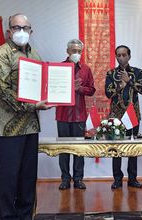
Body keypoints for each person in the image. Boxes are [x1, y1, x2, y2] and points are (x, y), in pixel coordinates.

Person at [0, 13, 51, 220]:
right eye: (17, 27)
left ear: (31, 31)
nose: (21, 31)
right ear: (9, 31)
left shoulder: (34, 54)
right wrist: (34, 106)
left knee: (27, 176)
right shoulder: (0, 56)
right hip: (7, 126)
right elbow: (3, 93)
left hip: (30, 126)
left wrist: (54, 93)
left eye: (25, 28)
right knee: (8, 176)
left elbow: (44, 82)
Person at [105, 45, 142, 189]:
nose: (121, 57)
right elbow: (108, 93)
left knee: (132, 147)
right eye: (118, 55)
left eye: (124, 55)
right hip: (116, 116)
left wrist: (129, 81)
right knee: (116, 148)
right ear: (116, 57)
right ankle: (117, 179)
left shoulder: (137, 72)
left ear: (129, 56)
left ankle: (132, 178)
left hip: (133, 115)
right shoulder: (111, 73)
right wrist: (120, 86)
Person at [56, 39, 96, 190]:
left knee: (79, 149)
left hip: (79, 116)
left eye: (79, 51)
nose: (76, 54)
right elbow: (53, 89)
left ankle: (78, 179)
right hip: (63, 115)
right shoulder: (59, 68)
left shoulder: (86, 69)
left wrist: (79, 89)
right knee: (64, 149)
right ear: (67, 51)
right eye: (74, 51)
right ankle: (65, 179)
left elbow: (91, 90)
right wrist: (68, 87)